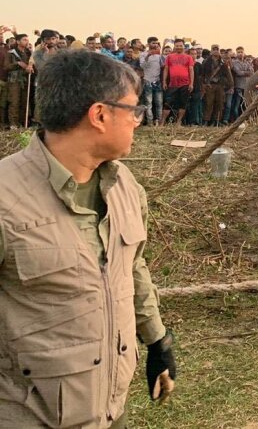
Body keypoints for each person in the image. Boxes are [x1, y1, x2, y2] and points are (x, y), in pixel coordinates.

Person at [0, 50, 176, 426]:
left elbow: (133, 266)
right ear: (99, 115)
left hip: (112, 410)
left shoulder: (125, 186)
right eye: (133, 110)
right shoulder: (5, 199)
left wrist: (157, 341)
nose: (138, 122)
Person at [161, 39, 194, 125]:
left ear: (183, 46)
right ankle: (162, 122)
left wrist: (191, 83)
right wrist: (164, 82)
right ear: (174, 46)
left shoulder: (188, 57)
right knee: (168, 103)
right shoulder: (169, 57)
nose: (179, 47)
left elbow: (191, 70)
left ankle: (178, 122)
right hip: (172, 84)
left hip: (185, 84)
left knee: (183, 104)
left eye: (180, 45)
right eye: (177, 46)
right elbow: (166, 69)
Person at [5, 33, 34, 128]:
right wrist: (17, 64)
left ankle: (22, 123)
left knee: (24, 102)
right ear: (18, 42)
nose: (27, 42)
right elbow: (6, 67)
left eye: (27, 40)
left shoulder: (28, 53)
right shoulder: (11, 53)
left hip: (25, 81)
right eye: (24, 40)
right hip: (14, 81)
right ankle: (13, 124)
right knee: (14, 102)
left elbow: (32, 65)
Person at [202, 45, 234, 126]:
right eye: (214, 49)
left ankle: (217, 121)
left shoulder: (223, 62)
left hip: (220, 85)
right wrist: (204, 84)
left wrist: (229, 86)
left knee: (220, 104)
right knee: (209, 103)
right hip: (210, 85)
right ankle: (206, 120)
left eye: (217, 49)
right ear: (211, 51)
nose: (216, 51)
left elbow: (228, 75)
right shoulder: (206, 61)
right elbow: (202, 75)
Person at [139, 40, 165, 126]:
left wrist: (161, 55)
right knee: (148, 103)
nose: (155, 44)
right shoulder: (143, 54)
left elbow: (163, 66)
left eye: (156, 43)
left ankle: (159, 121)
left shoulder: (159, 55)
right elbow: (142, 66)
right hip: (148, 81)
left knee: (159, 102)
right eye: (153, 43)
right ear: (148, 44)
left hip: (157, 81)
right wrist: (148, 55)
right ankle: (150, 122)